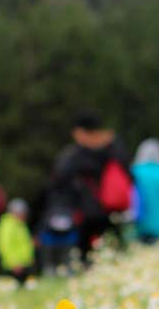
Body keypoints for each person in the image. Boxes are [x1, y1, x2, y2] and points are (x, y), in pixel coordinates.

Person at [44, 112, 130, 269]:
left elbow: (59, 182)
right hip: (110, 209)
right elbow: (128, 174)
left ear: (80, 132)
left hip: (85, 211)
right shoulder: (112, 150)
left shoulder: (74, 155)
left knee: (84, 253)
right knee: (113, 248)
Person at [0, 199, 37, 287]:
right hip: (15, 265)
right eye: (23, 213)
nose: (24, 216)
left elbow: (24, 242)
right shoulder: (7, 225)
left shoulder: (21, 224)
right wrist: (13, 263)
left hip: (25, 262)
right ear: (15, 212)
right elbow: (4, 246)